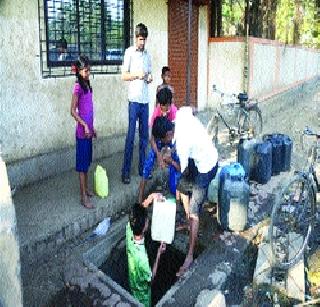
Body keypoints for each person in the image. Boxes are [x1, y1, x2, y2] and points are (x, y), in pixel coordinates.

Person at [174, 106, 218, 276]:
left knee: (194, 210)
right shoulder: (180, 115)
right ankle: (188, 222)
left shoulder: (183, 145)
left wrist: (170, 160)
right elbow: (192, 109)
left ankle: (190, 255)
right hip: (197, 158)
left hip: (207, 165)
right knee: (182, 188)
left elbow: (182, 169)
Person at [121, 23, 153, 184]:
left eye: (144, 40)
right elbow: (124, 76)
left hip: (145, 101)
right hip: (133, 101)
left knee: (144, 138)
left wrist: (149, 77)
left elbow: (149, 73)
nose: (142, 43)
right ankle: (125, 172)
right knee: (130, 137)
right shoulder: (129, 53)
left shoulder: (147, 55)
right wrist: (137, 75)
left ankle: (142, 169)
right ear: (136, 38)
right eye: (140, 39)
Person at [126, 202, 166, 307]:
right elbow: (151, 279)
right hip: (143, 297)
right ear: (145, 227)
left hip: (133, 284)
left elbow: (135, 215)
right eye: (147, 220)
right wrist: (158, 254)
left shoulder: (129, 230)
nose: (148, 220)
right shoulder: (142, 258)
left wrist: (150, 198)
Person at [70, 56, 96, 209]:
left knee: (86, 163)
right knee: (82, 166)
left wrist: (92, 128)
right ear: (79, 71)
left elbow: (89, 110)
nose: (88, 73)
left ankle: (86, 189)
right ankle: (83, 197)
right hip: (82, 132)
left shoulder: (87, 84)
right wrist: (85, 125)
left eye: (89, 70)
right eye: (85, 71)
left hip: (88, 132)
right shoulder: (77, 87)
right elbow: (72, 111)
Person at [138, 116, 180, 204]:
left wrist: (170, 160)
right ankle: (139, 200)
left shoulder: (179, 138)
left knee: (174, 187)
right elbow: (152, 139)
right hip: (164, 141)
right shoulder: (159, 128)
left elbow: (181, 167)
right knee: (148, 165)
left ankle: (179, 198)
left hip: (175, 157)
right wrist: (158, 155)